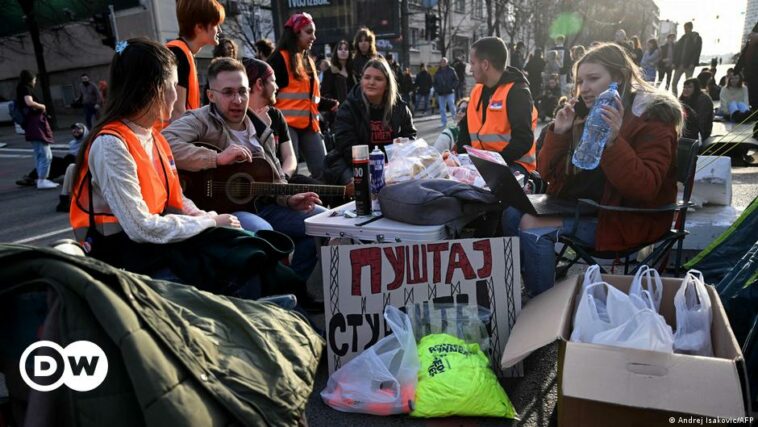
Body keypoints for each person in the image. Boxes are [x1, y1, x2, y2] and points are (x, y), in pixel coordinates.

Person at [69, 38, 303, 301]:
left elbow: (177, 201)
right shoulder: (111, 144)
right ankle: (257, 317)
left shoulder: (153, 137)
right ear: (152, 89)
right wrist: (208, 222)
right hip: (125, 256)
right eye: (173, 86)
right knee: (227, 268)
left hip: (157, 244)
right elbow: (140, 228)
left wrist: (212, 219)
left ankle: (274, 312)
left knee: (250, 249)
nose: (176, 95)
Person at [503, 42, 682, 297]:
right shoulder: (584, 114)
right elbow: (549, 177)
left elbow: (645, 188)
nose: (584, 88)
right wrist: (559, 135)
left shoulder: (652, 118)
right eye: (580, 81)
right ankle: (526, 283)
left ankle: (540, 308)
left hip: (627, 216)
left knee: (533, 225)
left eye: (593, 79)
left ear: (619, 78)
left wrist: (612, 142)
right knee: (511, 212)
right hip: (590, 203)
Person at [163, 57, 325, 283]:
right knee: (265, 233)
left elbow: (275, 178)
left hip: (265, 205)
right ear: (211, 95)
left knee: (322, 222)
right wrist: (216, 158)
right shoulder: (200, 120)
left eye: (242, 91)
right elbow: (164, 143)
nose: (237, 100)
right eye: (228, 92)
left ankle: (297, 286)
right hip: (222, 210)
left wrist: (289, 199)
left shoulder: (262, 128)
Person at [323, 57, 416, 185]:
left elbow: (410, 136)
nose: (371, 82)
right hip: (352, 164)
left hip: (391, 166)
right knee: (360, 186)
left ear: (387, 84)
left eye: (378, 79)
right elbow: (346, 146)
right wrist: (375, 170)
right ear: (361, 80)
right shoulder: (349, 107)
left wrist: (400, 151)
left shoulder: (399, 107)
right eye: (367, 78)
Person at [268, 12, 338, 179]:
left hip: (309, 125)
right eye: (309, 32)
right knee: (290, 173)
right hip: (286, 126)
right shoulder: (279, 59)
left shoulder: (307, 60)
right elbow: (266, 95)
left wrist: (329, 104)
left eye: (313, 32)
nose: (314, 37)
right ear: (295, 33)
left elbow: (308, 98)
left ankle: (325, 203)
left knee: (324, 171)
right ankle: (294, 203)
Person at [457, 36, 538, 176]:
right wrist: (462, 159)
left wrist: (495, 164)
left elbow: (523, 139)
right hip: (483, 165)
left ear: (485, 65)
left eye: (472, 63)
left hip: (515, 165)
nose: (470, 69)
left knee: (485, 194)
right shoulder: (477, 90)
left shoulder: (517, 92)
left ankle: (534, 183)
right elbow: (466, 127)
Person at [166, 0, 225, 124]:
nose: (219, 30)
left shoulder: (183, 52)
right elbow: (177, 112)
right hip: (170, 138)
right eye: (215, 24)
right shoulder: (178, 53)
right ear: (199, 27)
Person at [16, 70, 58, 190]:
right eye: (34, 79)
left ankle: (42, 179)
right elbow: (29, 102)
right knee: (45, 154)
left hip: (32, 124)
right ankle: (42, 180)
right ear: (30, 79)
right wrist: (42, 106)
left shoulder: (20, 88)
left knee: (40, 153)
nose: (35, 81)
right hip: (36, 124)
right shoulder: (25, 88)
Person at [18, 123, 87, 188]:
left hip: (82, 164)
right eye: (74, 129)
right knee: (52, 160)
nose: (76, 131)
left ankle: (47, 177)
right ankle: (31, 177)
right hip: (70, 164)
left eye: (79, 129)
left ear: (84, 131)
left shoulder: (88, 141)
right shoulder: (72, 143)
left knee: (69, 158)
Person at [321, 39, 357, 128]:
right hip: (336, 114)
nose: (343, 51)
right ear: (336, 52)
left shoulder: (353, 71)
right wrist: (334, 106)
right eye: (340, 49)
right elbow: (325, 93)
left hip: (354, 112)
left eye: (346, 49)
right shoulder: (329, 72)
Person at [671, 22, 702, 96]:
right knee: (674, 83)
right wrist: (674, 62)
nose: (685, 30)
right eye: (684, 28)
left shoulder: (696, 38)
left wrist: (693, 63)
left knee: (688, 84)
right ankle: (675, 98)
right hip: (679, 65)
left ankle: (688, 98)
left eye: (686, 28)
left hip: (689, 65)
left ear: (690, 28)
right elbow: (676, 51)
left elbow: (697, 51)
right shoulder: (682, 38)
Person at [735, 23, 758, 110]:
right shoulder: (749, 45)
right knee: (752, 97)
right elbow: (742, 58)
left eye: (752, 35)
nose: (750, 37)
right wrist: (736, 71)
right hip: (750, 76)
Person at [434, 57, 459, 127]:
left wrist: (452, 87)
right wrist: (437, 89)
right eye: (441, 62)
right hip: (441, 93)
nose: (443, 63)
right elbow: (434, 82)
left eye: (444, 61)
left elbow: (456, 80)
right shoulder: (437, 72)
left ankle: (456, 120)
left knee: (451, 106)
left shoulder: (451, 70)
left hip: (450, 92)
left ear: (447, 63)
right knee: (442, 109)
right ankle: (444, 122)